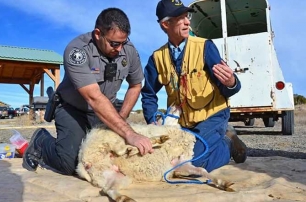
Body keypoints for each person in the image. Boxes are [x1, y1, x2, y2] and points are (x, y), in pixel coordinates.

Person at [22, 8, 154, 175]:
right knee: (72, 164)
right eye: (114, 43)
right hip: (73, 109)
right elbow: (94, 97)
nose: (120, 48)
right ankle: (41, 142)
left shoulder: (129, 50)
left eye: (124, 42)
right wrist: (129, 133)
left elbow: (135, 85)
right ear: (98, 34)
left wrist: (121, 119)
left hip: (105, 111)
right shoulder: (77, 51)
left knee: (110, 158)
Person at [141, 0, 247, 172]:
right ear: (165, 24)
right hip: (182, 122)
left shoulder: (205, 47)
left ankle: (228, 142)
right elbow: (148, 94)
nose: (188, 22)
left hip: (213, 116)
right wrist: (152, 121)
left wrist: (231, 82)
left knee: (191, 162)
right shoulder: (156, 58)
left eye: (187, 16)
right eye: (181, 18)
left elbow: (229, 87)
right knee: (168, 158)